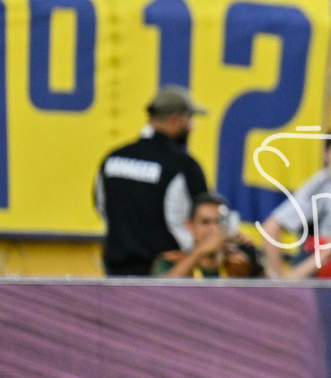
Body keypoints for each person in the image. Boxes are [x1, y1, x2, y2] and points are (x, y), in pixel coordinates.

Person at [94, 86, 209, 276]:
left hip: (115, 274)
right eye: (189, 119)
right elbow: (205, 219)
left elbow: (101, 207)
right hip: (165, 277)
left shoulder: (113, 158)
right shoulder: (183, 165)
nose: (192, 126)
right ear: (175, 119)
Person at [260, 126, 331, 278]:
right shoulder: (322, 185)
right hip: (312, 275)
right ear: (326, 153)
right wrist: (278, 282)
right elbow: (271, 227)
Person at [152, 192, 263, 277]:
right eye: (205, 222)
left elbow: (269, 296)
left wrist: (253, 253)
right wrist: (199, 252)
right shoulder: (170, 261)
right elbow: (157, 293)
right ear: (189, 225)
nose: (213, 229)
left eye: (219, 222)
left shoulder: (239, 264)